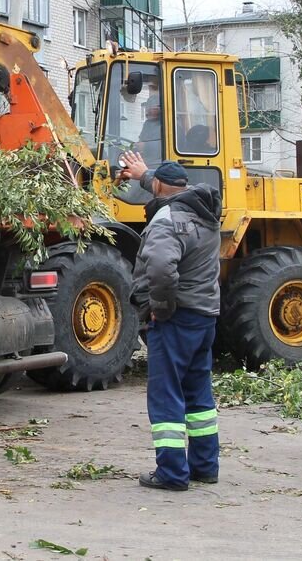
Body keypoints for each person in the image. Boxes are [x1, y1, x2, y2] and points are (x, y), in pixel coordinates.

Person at [119, 151, 222, 491]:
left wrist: (159, 309)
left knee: (166, 395)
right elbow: (167, 187)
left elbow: (162, 269)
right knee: (198, 393)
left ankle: (172, 473)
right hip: (205, 315)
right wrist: (144, 174)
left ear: (159, 186)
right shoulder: (205, 215)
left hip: (176, 318)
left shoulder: (166, 220)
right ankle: (205, 466)